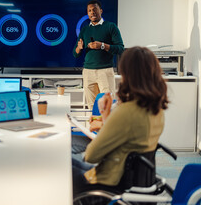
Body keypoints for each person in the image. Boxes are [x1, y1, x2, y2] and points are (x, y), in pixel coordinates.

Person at [72, 46, 169, 195]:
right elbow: (126, 136)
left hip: (108, 180)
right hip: (129, 176)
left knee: (59, 165)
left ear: (128, 74)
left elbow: (91, 156)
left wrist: (107, 120)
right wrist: (105, 116)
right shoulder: (156, 109)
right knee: (70, 162)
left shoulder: (127, 111)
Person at [73, 0, 124, 109]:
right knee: (92, 108)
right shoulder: (85, 30)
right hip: (87, 72)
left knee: (108, 106)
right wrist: (79, 48)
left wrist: (102, 45)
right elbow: (75, 53)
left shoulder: (111, 27)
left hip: (105, 71)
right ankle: (95, 126)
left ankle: (107, 126)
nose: (92, 12)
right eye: (89, 10)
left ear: (101, 11)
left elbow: (120, 49)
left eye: (95, 9)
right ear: (87, 13)